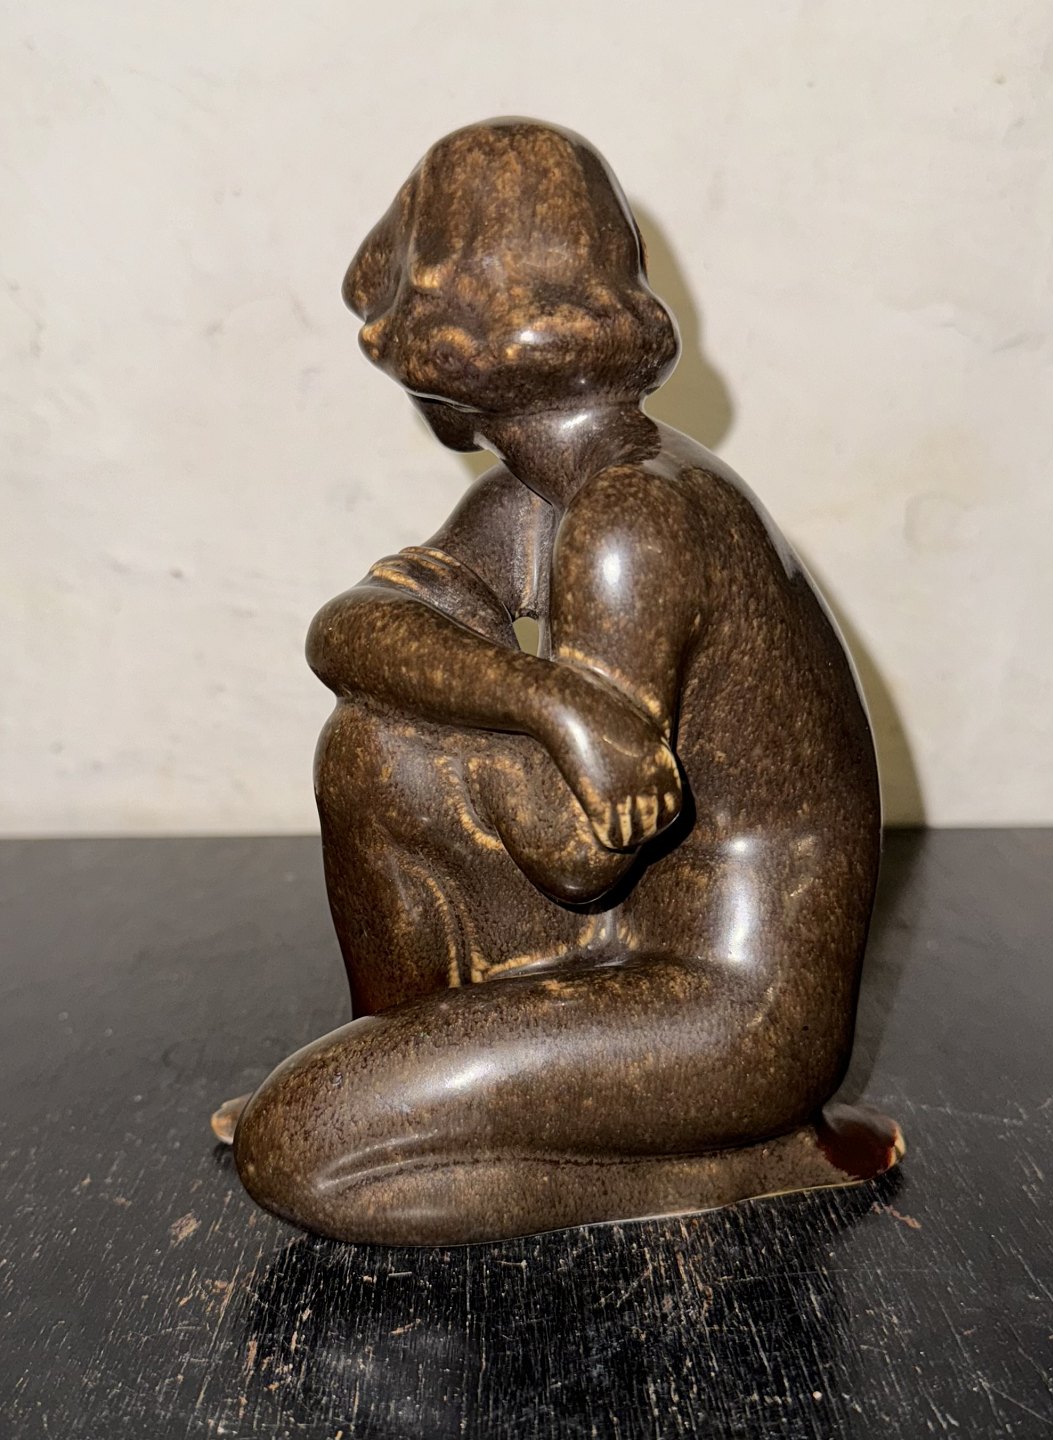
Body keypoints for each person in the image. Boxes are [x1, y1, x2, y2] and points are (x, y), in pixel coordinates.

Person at [216, 119, 901, 1244]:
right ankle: (393, 1089)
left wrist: (477, 737)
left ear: (436, 359)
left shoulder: (633, 518)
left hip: (732, 1015)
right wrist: (550, 702)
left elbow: (577, 855)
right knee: (372, 748)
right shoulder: (539, 498)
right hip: (623, 950)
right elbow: (349, 629)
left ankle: (735, 1164)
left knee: (294, 1150)